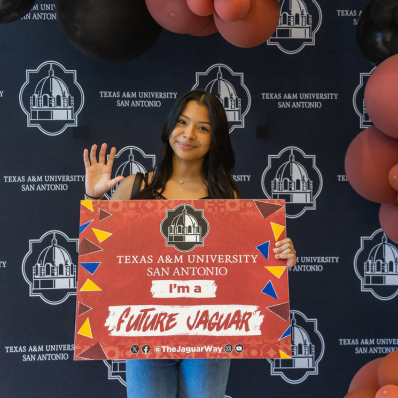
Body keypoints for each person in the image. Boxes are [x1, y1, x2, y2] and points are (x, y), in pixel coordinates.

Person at [83, 90, 297, 398]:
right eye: (182, 122)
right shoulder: (134, 186)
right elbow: (97, 259)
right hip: (145, 335)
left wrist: (278, 254)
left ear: (215, 138)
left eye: (203, 127)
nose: (189, 134)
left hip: (208, 336)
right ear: (170, 126)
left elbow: (242, 270)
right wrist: (93, 199)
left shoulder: (227, 198)